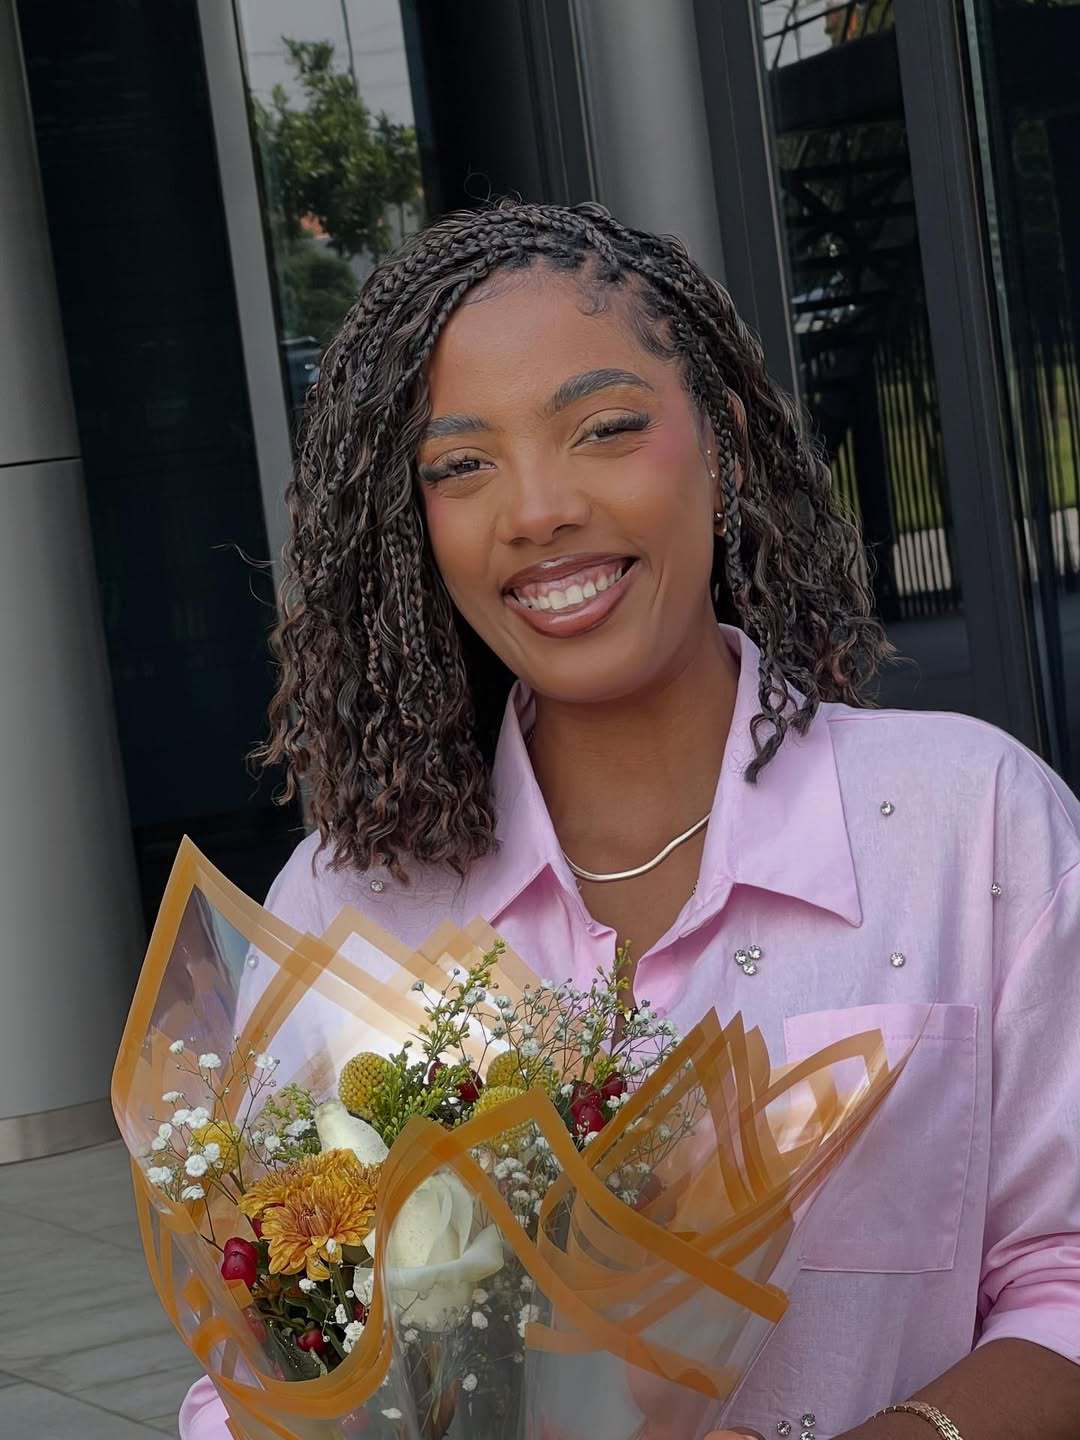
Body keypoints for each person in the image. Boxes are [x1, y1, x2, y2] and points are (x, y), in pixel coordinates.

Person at [178, 199, 1080, 1440]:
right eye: (461, 465)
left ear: (723, 445)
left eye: (605, 429)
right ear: (412, 522)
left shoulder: (972, 828)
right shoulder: (346, 911)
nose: (537, 508)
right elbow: (253, 1363)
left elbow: (1064, 1276)